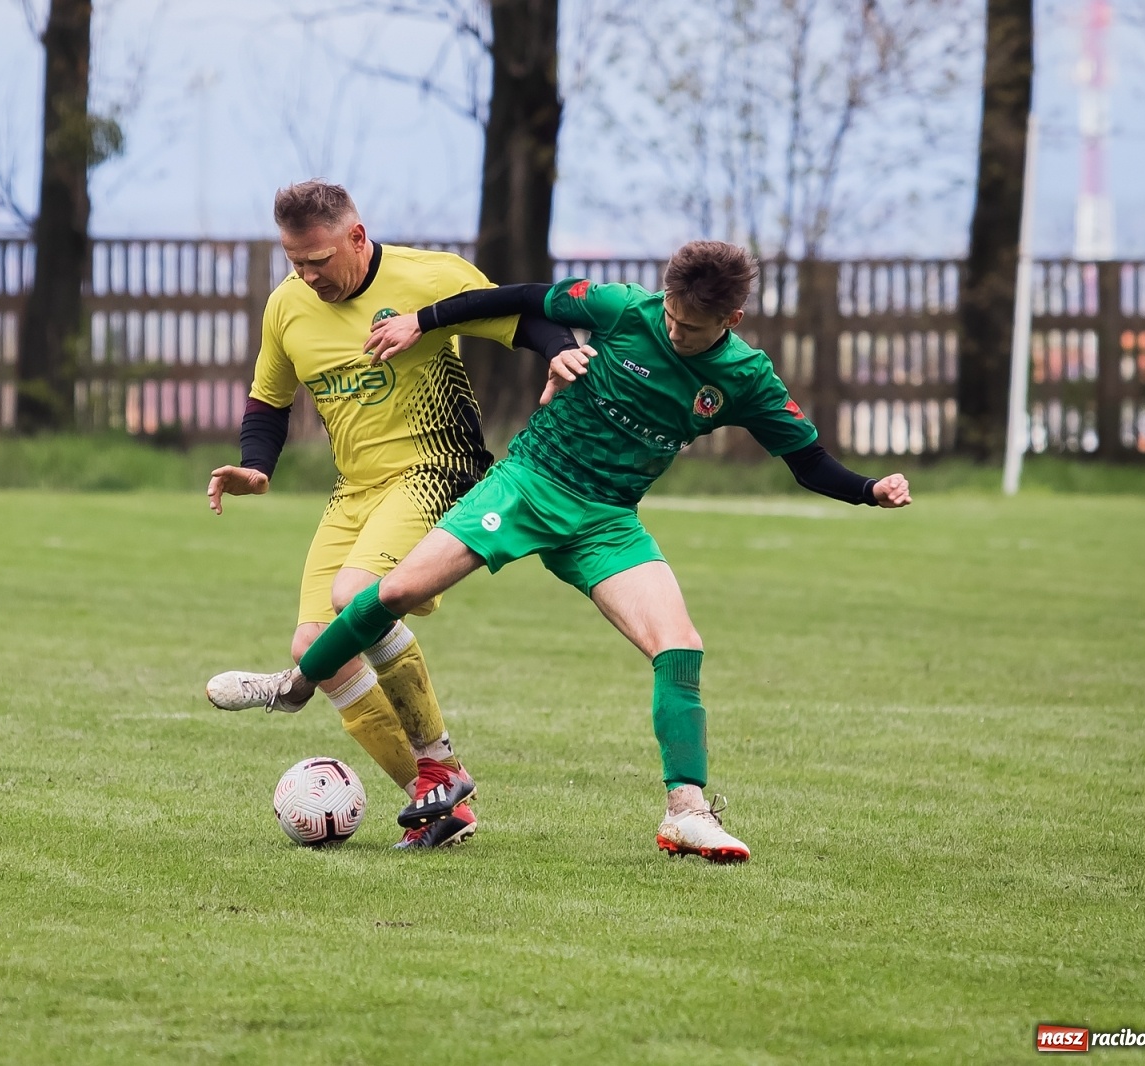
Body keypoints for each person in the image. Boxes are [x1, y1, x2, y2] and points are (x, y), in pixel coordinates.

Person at [206, 240, 912, 862]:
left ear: (731, 322)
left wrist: (867, 490)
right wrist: (423, 320)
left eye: (690, 328)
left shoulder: (745, 377)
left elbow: (807, 460)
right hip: (525, 485)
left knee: (680, 646)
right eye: (669, 313)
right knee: (389, 596)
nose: (673, 329)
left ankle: (687, 811)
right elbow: (515, 299)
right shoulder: (621, 308)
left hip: (606, 520)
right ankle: (295, 688)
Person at [204, 180, 584, 848]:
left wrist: (559, 349)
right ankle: (440, 802)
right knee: (316, 650)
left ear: (356, 236)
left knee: (357, 597)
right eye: (295, 262)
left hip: (439, 468)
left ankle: (436, 761)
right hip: (356, 491)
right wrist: (255, 466)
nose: (307, 275)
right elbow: (269, 400)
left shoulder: (429, 276)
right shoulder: (286, 307)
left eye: (318, 260)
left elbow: (520, 319)